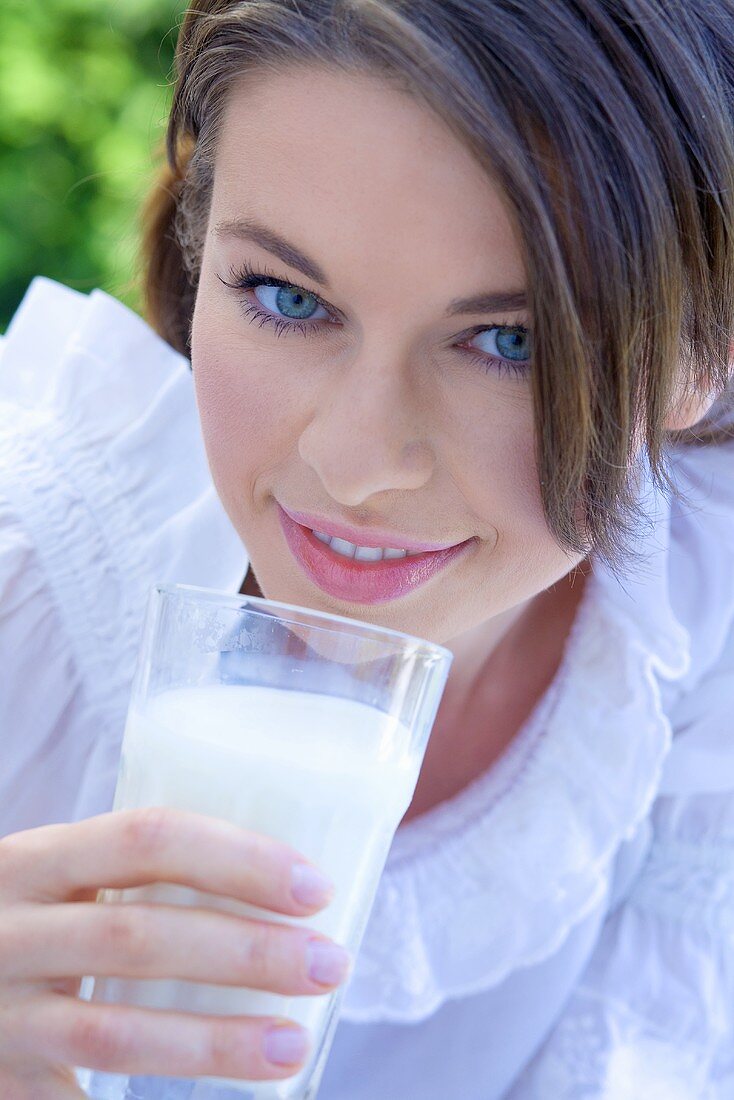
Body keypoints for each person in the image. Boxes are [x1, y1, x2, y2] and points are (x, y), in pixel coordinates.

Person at [1, 1, 733, 1097]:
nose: (352, 465)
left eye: (506, 341)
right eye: (287, 298)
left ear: (699, 353)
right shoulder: (27, 584)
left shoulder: (697, 630)